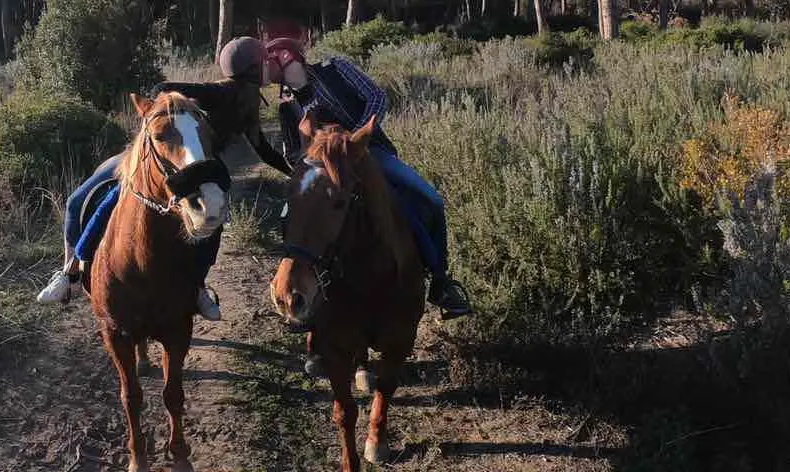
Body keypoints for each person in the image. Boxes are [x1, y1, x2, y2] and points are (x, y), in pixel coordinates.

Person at [35, 38, 295, 319]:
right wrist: (166, 109)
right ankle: (69, 274)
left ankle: (196, 286)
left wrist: (294, 172)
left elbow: (261, 148)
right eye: (263, 63)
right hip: (163, 157)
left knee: (213, 221)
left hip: (200, 167)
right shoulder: (223, 91)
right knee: (86, 201)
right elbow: (165, 89)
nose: (269, 68)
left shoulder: (249, 97)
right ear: (253, 68)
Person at [263, 35, 473, 320]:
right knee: (291, 212)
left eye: (270, 61)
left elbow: (377, 97)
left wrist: (353, 141)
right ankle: (295, 279)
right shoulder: (287, 106)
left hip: (370, 153)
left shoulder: (335, 69)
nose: (266, 70)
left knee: (430, 200)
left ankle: (440, 282)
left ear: (287, 57)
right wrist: (309, 166)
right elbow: (291, 154)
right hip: (321, 169)